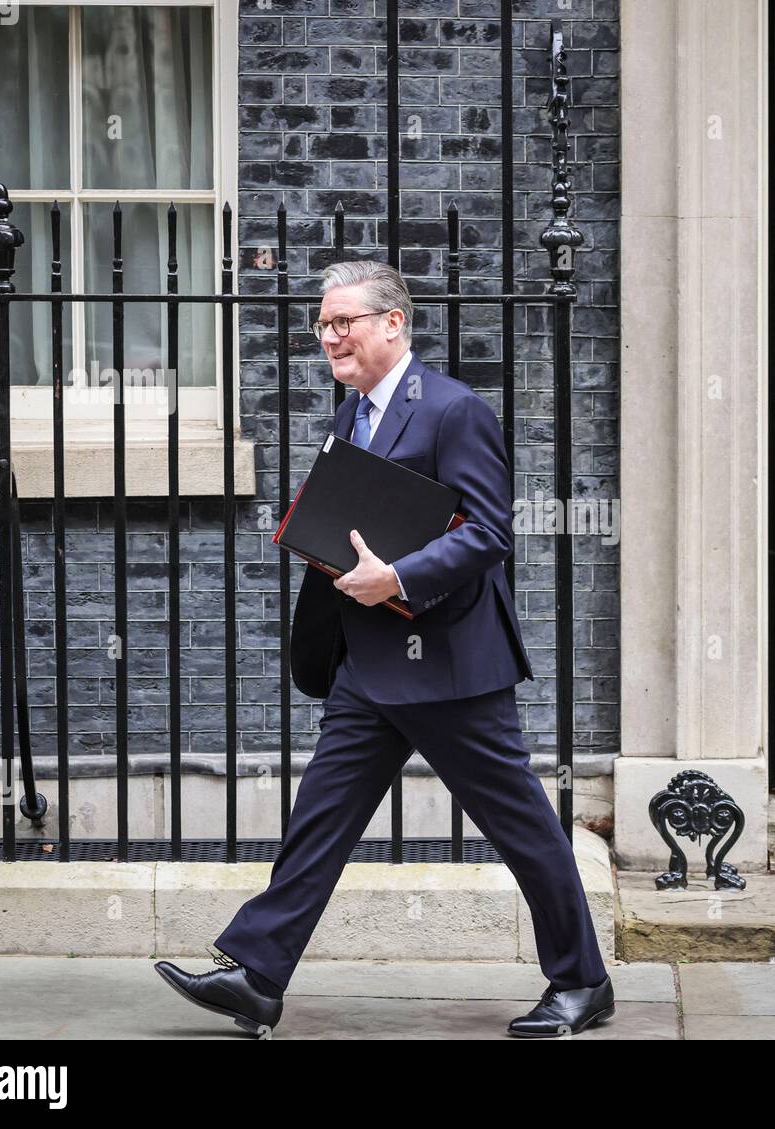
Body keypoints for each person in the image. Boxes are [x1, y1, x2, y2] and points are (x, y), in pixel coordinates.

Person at [155, 259, 614, 1038]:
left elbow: (489, 531)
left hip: (451, 667)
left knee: (524, 828)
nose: (329, 337)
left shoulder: (452, 409)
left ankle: (582, 982)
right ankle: (258, 975)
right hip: (367, 664)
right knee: (320, 819)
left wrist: (398, 574)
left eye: (344, 323)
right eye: (323, 326)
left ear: (393, 322)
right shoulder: (351, 415)